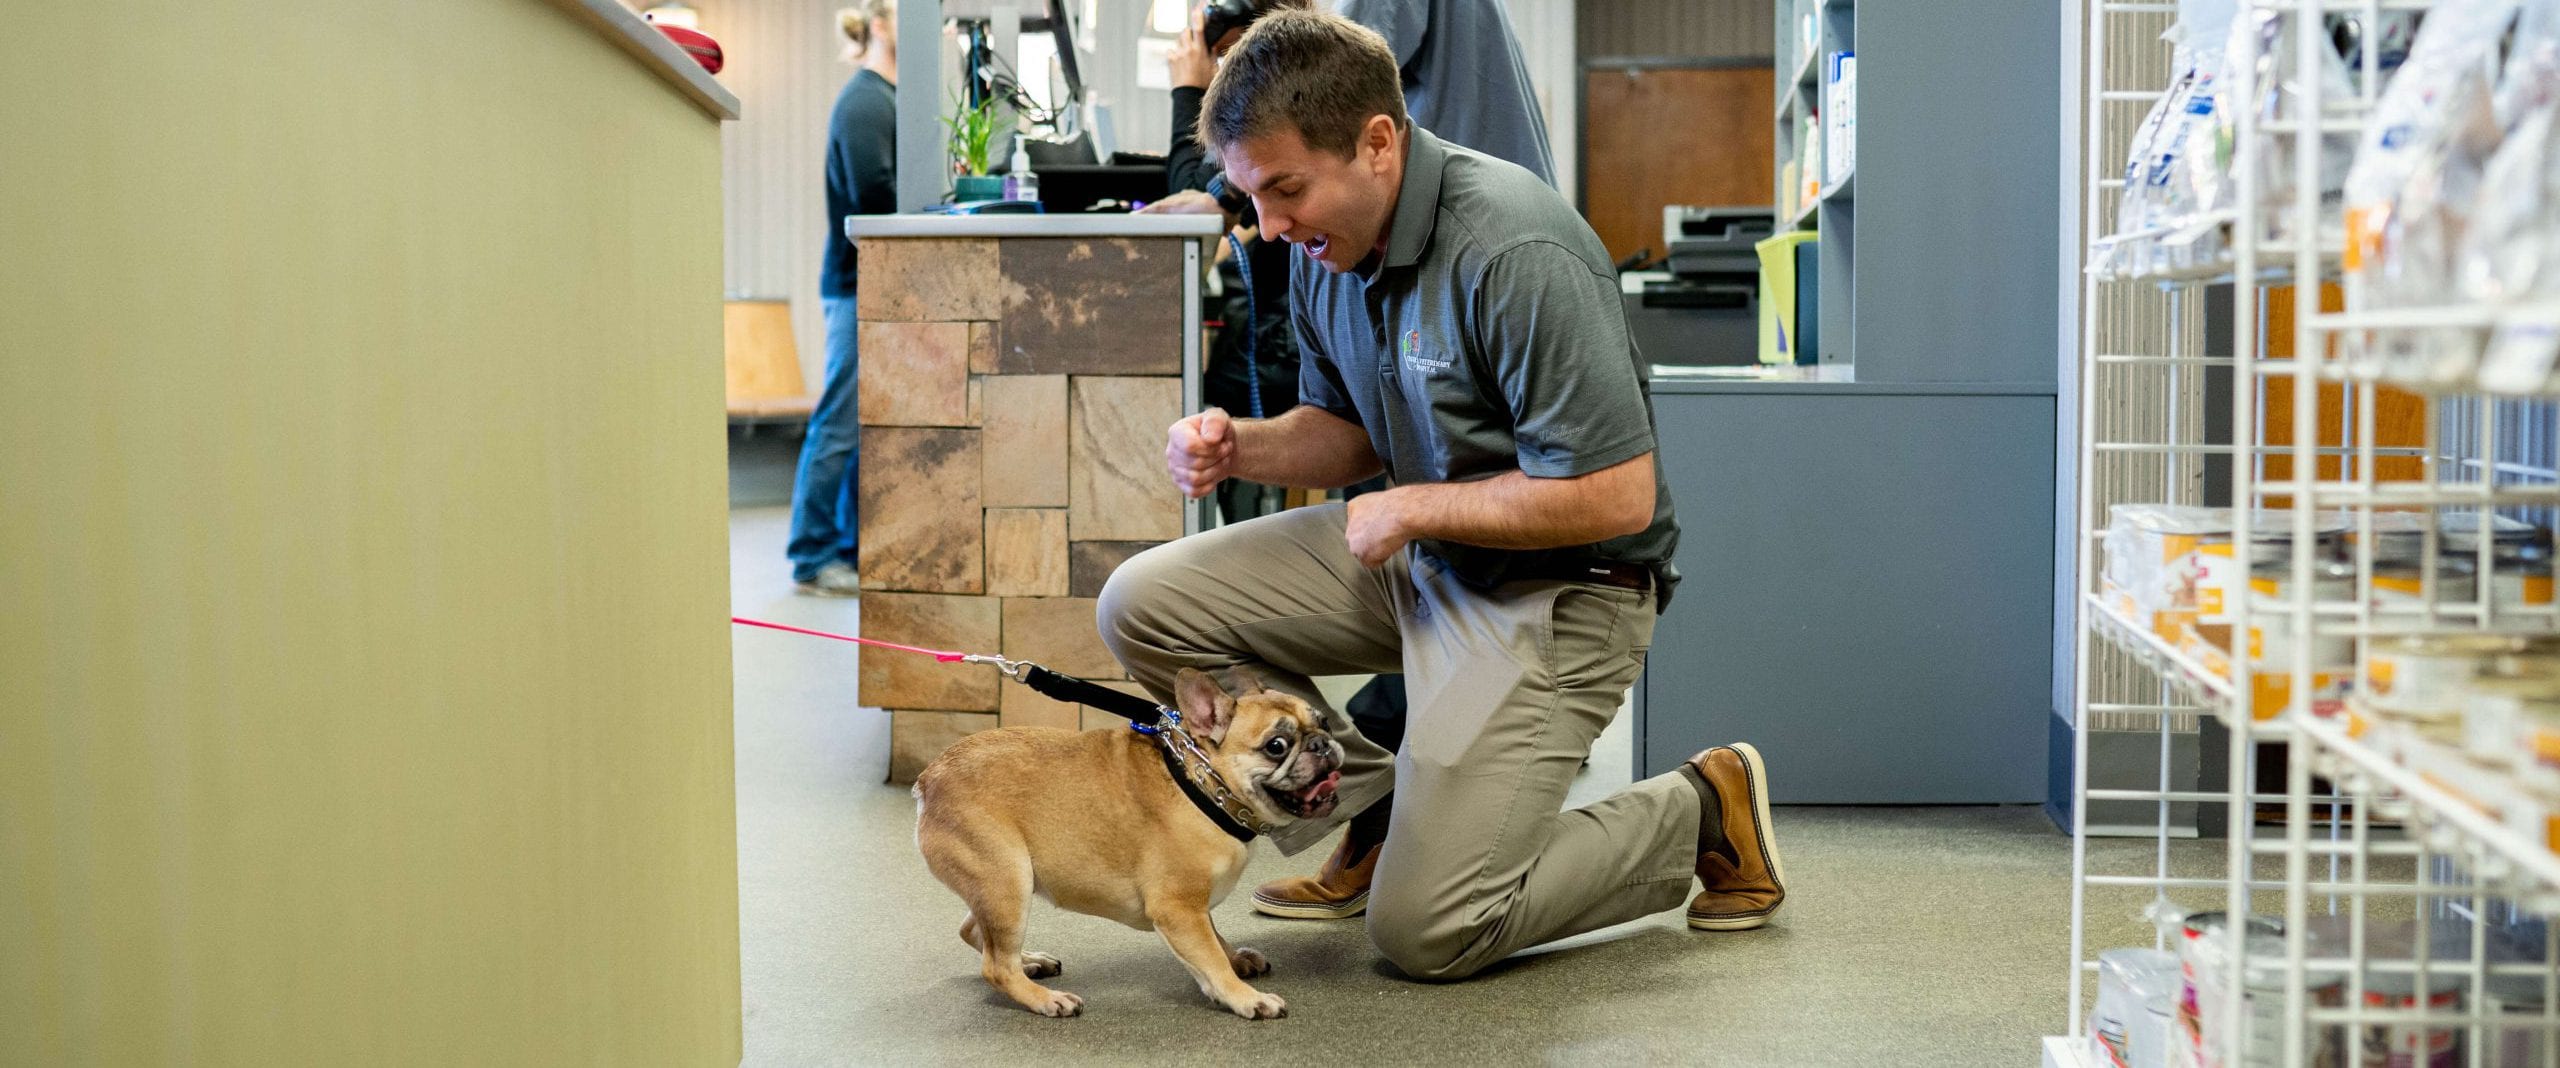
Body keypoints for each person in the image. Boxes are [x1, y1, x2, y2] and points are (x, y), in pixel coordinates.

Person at [1097, 11, 1788, 981]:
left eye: (1286, 191)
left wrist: (1413, 508)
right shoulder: (1323, 247)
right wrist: (1238, 445)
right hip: (1421, 562)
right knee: (1144, 603)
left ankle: (1699, 809)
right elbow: (1345, 433)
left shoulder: (1514, 250)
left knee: (1428, 930)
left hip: (1563, 589)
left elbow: (1617, 496)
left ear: (1377, 143)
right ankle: (1383, 805)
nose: (1270, 227)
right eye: (1250, 197)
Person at [789, 3, 899, 596]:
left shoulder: (886, 99)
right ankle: (810, 555)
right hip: (853, 286)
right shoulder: (865, 101)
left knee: (859, 426)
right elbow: (873, 192)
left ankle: (850, 549)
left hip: (870, 286)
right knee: (838, 424)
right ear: (880, 24)